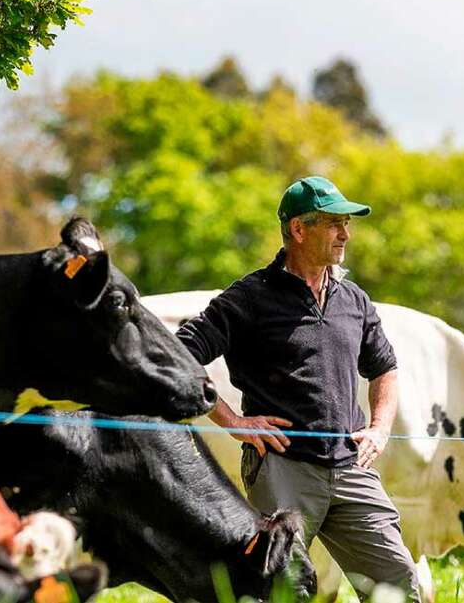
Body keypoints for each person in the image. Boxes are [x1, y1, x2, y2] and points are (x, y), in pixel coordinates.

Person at [176, 176, 421, 602]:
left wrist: (380, 427)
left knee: (399, 584)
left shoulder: (354, 300)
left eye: (346, 224)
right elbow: (179, 353)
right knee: (281, 592)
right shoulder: (250, 297)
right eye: (333, 223)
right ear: (298, 229)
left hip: (351, 469)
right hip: (282, 470)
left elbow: (386, 368)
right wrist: (233, 420)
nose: (345, 234)